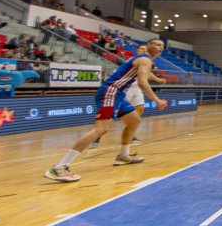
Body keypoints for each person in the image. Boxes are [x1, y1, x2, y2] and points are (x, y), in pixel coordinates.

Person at [45, 38, 168, 182]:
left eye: (162, 45)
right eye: (157, 44)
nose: (160, 47)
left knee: (134, 120)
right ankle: (60, 167)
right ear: (148, 46)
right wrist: (157, 100)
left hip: (119, 94)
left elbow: (144, 76)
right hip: (111, 91)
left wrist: (157, 80)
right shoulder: (144, 59)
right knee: (101, 129)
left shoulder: (144, 60)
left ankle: (123, 155)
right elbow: (142, 82)